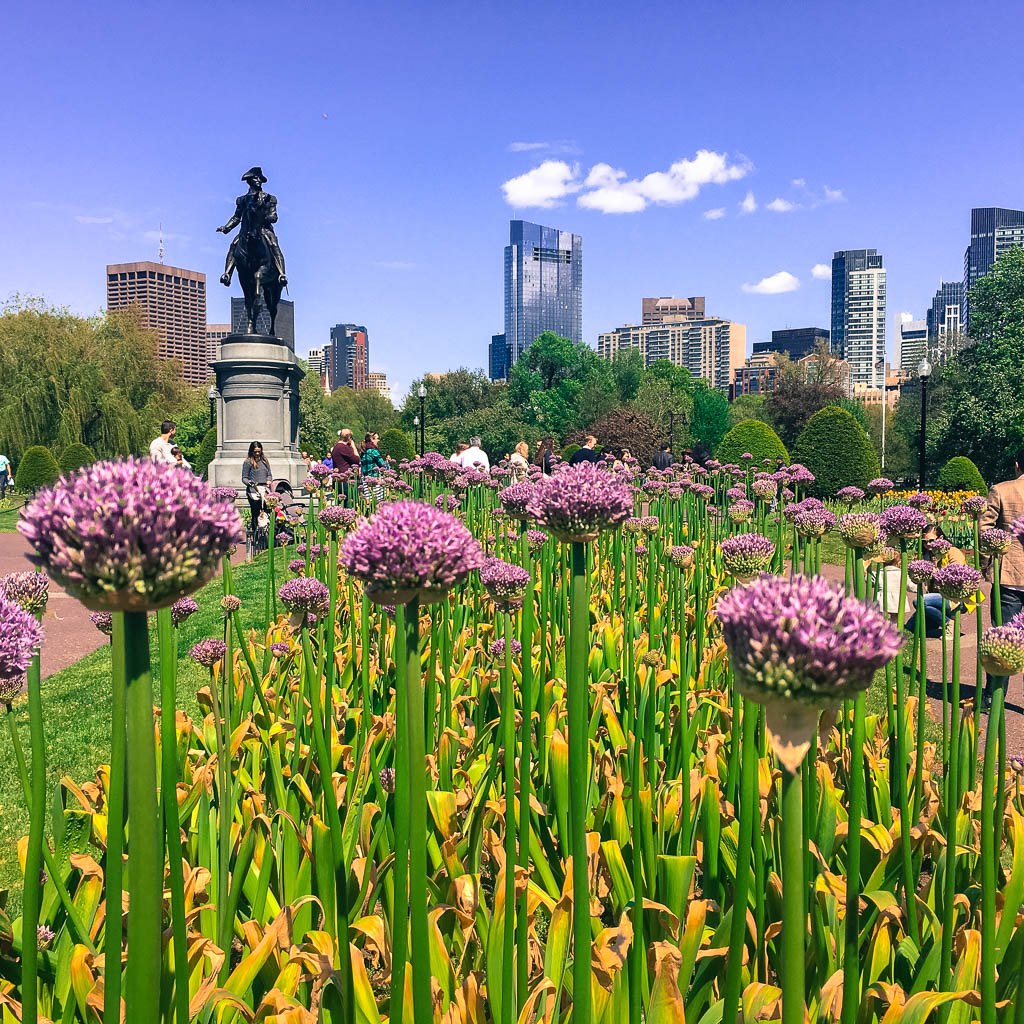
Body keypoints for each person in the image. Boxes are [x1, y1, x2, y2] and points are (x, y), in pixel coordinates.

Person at [980, 447, 1024, 705]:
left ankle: (992, 698)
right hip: (1010, 574)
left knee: (1003, 640)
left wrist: (988, 565)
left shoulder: (1002, 489)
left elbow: (985, 531)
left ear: (1017, 464)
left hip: (1009, 573)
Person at [905, 523, 967, 639]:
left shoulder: (952, 552)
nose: (927, 544)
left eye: (931, 541)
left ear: (941, 538)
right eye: (924, 541)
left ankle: (949, 623)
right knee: (911, 628)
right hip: (935, 597)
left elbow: (958, 575)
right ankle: (936, 620)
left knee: (919, 602)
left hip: (955, 597)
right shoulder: (925, 554)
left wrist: (935, 572)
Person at [242, 441, 272, 526]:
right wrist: (250, 483)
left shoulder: (265, 461)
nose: (257, 453)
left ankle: (266, 532)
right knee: (255, 513)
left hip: (265, 490)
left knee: (266, 511)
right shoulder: (248, 462)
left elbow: (269, 474)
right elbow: (244, 478)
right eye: (255, 452)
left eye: (259, 451)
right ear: (252, 451)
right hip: (253, 490)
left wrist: (269, 480)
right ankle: (255, 533)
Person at [360, 432, 387, 502]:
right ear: (372, 439)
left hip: (366, 479)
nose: (378, 440)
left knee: (369, 500)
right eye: (377, 438)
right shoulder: (373, 451)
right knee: (377, 501)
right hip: (375, 479)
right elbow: (382, 464)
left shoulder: (364, 451)